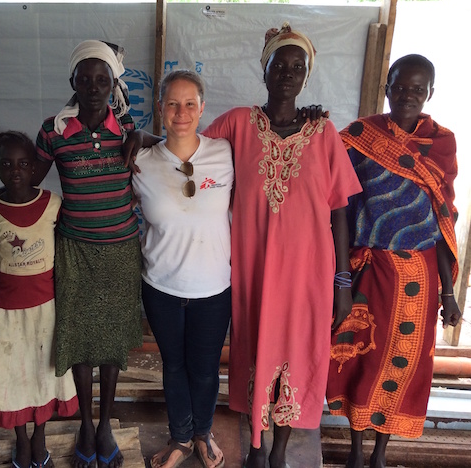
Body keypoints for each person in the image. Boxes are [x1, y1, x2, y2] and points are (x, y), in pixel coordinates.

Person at [125, 23, 362, 468]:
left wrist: (343, 279)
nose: (287, 73)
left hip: (308, 273)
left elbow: (339, 209)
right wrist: (144, 139)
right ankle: (253, 446)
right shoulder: (238, 123)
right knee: (252, 353)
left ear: (307, 75)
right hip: (252, 272)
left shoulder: (324, 131)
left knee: (295, 354)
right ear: (265, 69)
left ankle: (278, 452)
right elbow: (188, 144)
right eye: (279, 64)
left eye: (298, 66)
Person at [0, 40, 142, 468]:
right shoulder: (53, 130)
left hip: (120, 252)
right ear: (71, 81)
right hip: (72, 250)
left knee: (109, 347)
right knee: (75, 341)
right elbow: (22, 183)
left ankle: (105, 425)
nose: (94, 87)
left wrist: (145, 135)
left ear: (113, 84)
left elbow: (171, 148)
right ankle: (85, 427)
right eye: (85, 79)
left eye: (103, 79)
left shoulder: (128, 131)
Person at [325, 54, 461, 468]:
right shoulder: (358, 136)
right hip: (370, 270)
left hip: (420, 277)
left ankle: (380, 456)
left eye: (418, 90)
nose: (408, 95)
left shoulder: (442, 143)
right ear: (387, 87)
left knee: (404, 366)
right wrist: (342, 282)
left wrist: (450, 294)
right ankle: (355, 451)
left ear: (430, 94)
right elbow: (339, 210)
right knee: (361, 360)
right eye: (400, 86)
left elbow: (440, 222)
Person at [131, 70, 233, 468]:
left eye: (190, 103)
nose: (181, 112)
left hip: (213, 288)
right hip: (160, 286)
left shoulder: (225, 153)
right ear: (159, 108)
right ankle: (180, 439)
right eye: (172, 103)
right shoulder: (139, 161)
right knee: (173, 365)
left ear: (203, 107)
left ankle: (203, 435)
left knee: (206, 369)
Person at [0, 130, 79, 468]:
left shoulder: (54, 204)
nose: (15, 170)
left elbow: (66, 256)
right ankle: (21, 439)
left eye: (22, 164)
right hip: (7, 313)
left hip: (47, 310)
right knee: (14, 375)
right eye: (6, 164)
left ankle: (39, 436)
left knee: (43, 373)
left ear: (35, 167)